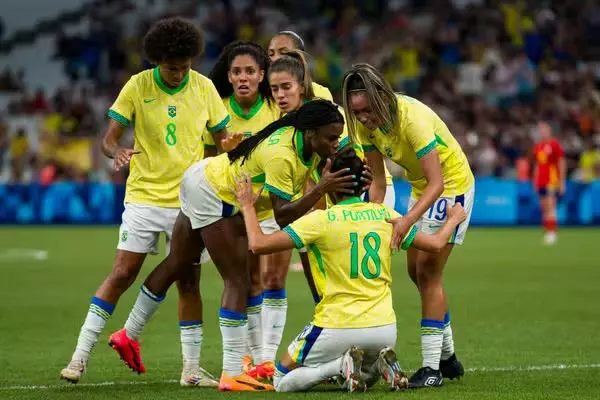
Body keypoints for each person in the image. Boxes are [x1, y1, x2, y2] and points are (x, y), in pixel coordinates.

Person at [107, 100, 356, 391]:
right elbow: (282, 213)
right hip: (214, 193)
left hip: (203, 177)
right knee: (237, 279)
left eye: (337, 137)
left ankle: (128, 333)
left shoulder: (305, 144)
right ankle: (232, 372)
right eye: (331, 137)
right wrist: (321, 189)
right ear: (311, 133)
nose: (335, 143)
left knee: (178, 261)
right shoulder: (283, 155)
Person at [60, 17, 230, 387]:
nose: (177, 73)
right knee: (122, 273)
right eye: (171, 68)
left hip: (189, 201)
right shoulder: (137, 86)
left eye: (184, 67)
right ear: (157, 61)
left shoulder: (204, 88)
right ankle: (79, 358)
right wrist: (115, 152)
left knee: (189, 281)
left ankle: (190, 370)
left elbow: (224, 139)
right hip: (143, 196)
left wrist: (229, 166)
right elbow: (108, 139)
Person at [233, 147, 468, 393]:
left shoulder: (319, 221)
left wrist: (248, 206)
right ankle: (380, 365)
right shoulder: (385, 215)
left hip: (337, 325)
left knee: (281, 380)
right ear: (364, 182)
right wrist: (452, 219)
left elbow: (258, 245)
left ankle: (338, 365)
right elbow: (435, 244)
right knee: (362, 376)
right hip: (384, 330)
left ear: (330, 182)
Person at [342, 63, 475, 388]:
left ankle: (432, 369)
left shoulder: (411, 119)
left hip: (451, 186)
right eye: (356, 113)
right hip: (421, 187)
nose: (362, 119)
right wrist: (369, 216)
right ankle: (448, 358)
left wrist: (406, 220)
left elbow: (438, 182)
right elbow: (378, 183)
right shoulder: (363, 126)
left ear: (383, 98)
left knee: (429, 273)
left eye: (367, 111)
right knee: (415, 273)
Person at [240, 49, 368, 380]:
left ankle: (330, 338)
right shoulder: (271, 118)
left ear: (302, 83)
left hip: (309, 201)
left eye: (286, 87)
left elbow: (337, 157)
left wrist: (331, 196)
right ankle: (262, 356)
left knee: (317, 274)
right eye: (275, 88)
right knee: (266, 278)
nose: (280, 94)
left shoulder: (322, 105)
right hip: (279, 196)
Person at [206, 40, 280, 375]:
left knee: (266, 279)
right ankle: (250, 358)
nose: (243, 77)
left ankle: (263, 356)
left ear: (262, 74)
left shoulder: (276, 109)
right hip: (230, 212)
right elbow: (207, 164)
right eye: (236, 72)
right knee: (243, 280)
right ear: (229, 76)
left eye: (250, 70)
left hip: (269, 209)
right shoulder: (217, 110)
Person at [532, 121, 565, 245]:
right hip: (541, 180)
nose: (542, 132)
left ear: (549, 131)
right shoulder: (538, 146)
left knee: (551, 205)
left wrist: (562, 181)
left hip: (552, 180)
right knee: (544, 206)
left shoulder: (554, 144)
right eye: (540, 130)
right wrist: (535, 181)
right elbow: (537, 165)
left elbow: (561, 162)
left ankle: (552, 233)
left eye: (544, 130)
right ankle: (548, 231)